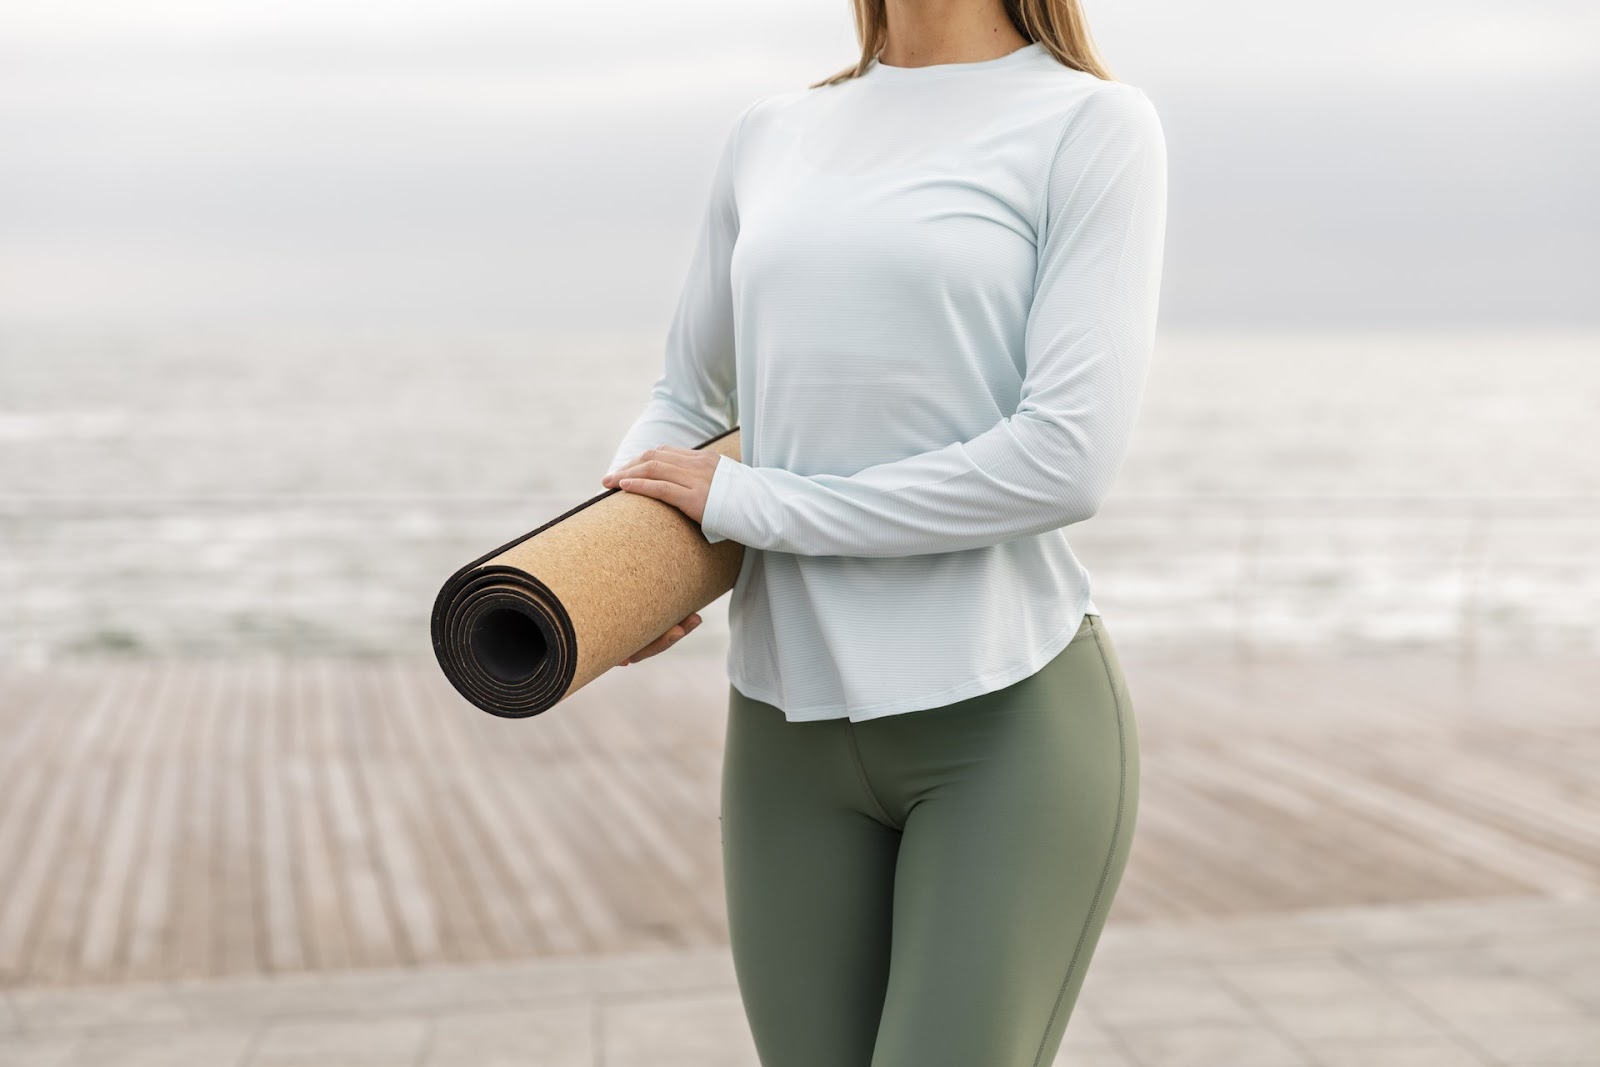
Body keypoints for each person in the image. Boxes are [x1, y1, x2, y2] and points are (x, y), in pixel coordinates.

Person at [600, 1, 1166, 1063]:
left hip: (1005, 720)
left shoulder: (1090, 125)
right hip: (781, 728)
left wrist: (753, 506)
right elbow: (686, 394)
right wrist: (633, 563)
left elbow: (1063, 458)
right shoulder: (768, 135)